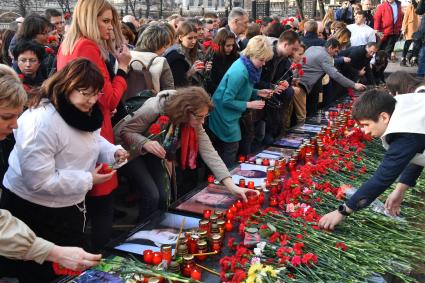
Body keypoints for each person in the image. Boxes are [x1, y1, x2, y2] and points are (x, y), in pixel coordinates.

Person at [0, 59, 127, 282]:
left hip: (68, 204)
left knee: (68, 267)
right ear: (67, 85)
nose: (92, 100)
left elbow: (91, 139)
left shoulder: (81, 111)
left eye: (96, 93)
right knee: (41, 273)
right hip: (35, 208)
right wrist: (88, 179)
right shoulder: (42, 121)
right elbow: (38, 181)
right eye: (85, 93)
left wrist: (112, 152)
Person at [57, 0, 131, 252]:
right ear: (90, 19)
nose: (110, 27)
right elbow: (108, 97)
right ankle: (102, 260)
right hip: (95, 128)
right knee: (102, 203)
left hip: (77, 128)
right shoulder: (87, 45)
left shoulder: (68, 43)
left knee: (84, 204)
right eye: (106, 21)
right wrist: (122, 69)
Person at [119, 87, 253, 221]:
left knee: (165, 196)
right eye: (200, 117)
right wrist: (145, 143)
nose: (202, 122)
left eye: (205, 117)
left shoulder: (194, 118)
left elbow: (209, 151)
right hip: (129, 151)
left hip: (155, 152)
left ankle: (155, 225)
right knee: (152, 194)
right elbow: (126, 131)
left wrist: (231, 186)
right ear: (186, 111)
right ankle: (141, 232)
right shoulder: (154, 108)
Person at [319, 90, 425, 230]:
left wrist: (343, 210)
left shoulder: (405, 133)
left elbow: (382, 177)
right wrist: (401, 189)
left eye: (366, 124)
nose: (365, 131)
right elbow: (417, 151)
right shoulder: (401, 108)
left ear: (384, 117)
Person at [208, 35, 274, 167]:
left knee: (230, 147)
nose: (264, 63)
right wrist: (249, 104)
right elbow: (226, 100)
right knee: (231, 147)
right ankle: (225, 179)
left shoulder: (247, 66)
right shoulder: (240, 71)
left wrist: (257, 92)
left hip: (229, 114)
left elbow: (242, 90)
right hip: (223, 114)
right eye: (261, 59)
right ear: (252, 54)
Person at [298, 38, 366, 121]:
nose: (336, 54)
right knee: (308, 113)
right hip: (306, 85)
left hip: (300, 81)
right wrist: (354, 85)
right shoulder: (326, 57)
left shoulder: (313, 48)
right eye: (336, 51)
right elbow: (336, 75)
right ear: (330, 47)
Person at [257, 30, 300, 142]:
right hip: (260, 93)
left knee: (289, 91)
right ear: (285, 45)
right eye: (293, 49)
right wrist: (272, 87)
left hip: (274, 95)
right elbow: (256, 79)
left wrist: (286, 82)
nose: (294, 52)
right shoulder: (267, 53)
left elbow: (287, 75)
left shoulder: (285, 57)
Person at [129, 24, 175, 97]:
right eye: (165, 46)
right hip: (151, 105)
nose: (165, 49)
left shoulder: (127, 55)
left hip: (126, 103)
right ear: (159, 44)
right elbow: (169, 91)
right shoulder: (160, 61)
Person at [164, 21, 210, 87]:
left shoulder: (197, 51)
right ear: (180, 37)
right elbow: (177, 83)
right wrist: (190, 72)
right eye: (190, 38)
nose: (194, 41)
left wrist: (206, 69)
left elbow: (203, 78)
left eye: (195, 37)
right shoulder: (175, 55)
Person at [206, 28, 239, 95]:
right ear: (220, 44)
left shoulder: (235, 55)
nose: (231, 48)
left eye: (232, 45)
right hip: (218, 94)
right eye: (228, 45)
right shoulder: (212, 57)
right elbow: (209, 83)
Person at [400, 0, 419, 66]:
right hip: (411, 28)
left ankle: (413, 59)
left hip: (418, 28)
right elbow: (405, 18)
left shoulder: (419, 6)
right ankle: (403, 59)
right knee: (408, 44)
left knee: (416, 45)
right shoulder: (410, 6)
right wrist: (403, 29)